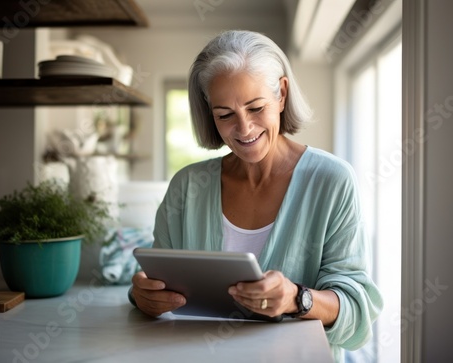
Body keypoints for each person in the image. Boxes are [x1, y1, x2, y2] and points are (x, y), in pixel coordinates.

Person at [130, 30, 383, 362]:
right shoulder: (187, 187)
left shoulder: (331, 181)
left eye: (255, 107)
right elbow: (156, 280)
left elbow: (357, 314)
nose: (245, 129)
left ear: (281, 94)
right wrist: (141, 296)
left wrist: (296, 299)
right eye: (225, 115)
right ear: (210, 114)